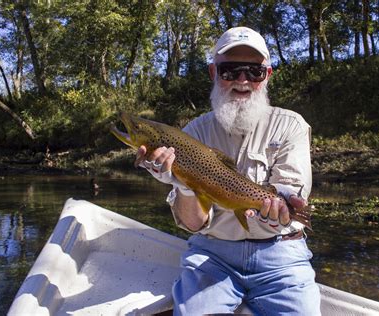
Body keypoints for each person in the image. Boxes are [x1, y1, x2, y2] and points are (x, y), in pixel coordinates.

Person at [136, 26, 321, 315]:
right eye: (230, 71)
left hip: (281, 256)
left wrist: (280, 212)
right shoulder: (192, 133)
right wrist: (183, 185)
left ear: (267, 75)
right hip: (212, 255)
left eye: (254, 72)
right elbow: (194, 223)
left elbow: (289, 195)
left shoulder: (290, 126)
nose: (242, 81)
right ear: (213, 73)